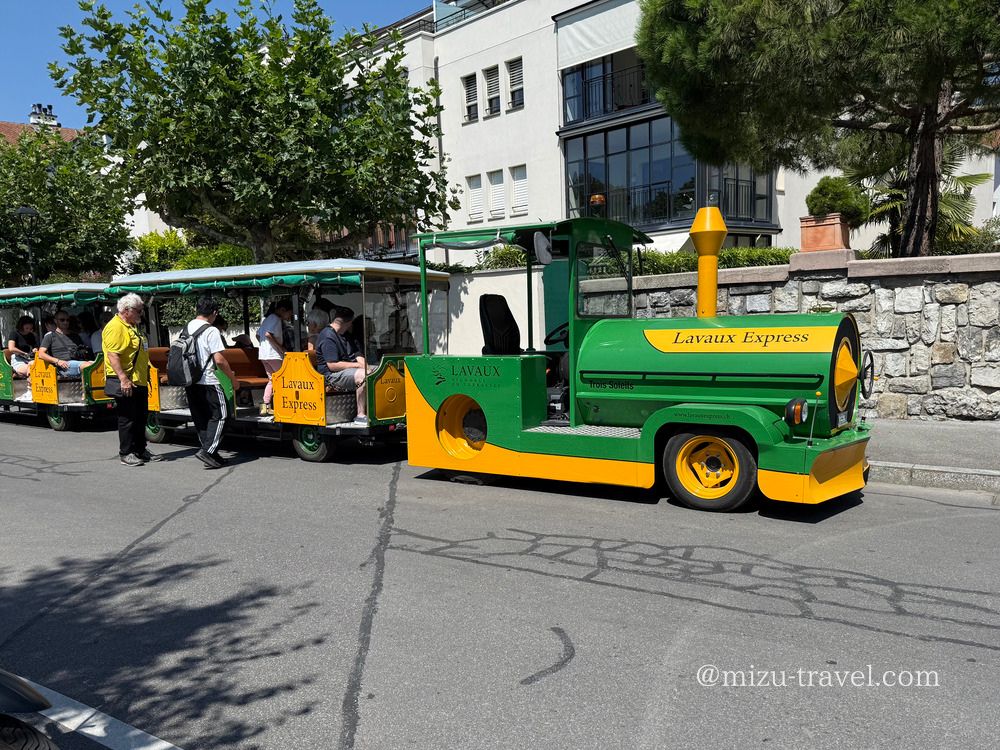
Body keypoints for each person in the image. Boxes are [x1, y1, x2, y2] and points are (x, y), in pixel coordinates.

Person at [185, 296, 241, 469]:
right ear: (214, 313)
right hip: (208, 380)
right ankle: (208, 451)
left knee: (202, 418)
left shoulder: (187, 327)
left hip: (191, 381)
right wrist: (233, 380)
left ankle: (211, 453)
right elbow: (220, 360)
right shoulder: (211, 330)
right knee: (223, 415)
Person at [103, 293, 155, 467]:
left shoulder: (131, 326)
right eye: (139, 311)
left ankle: (140, 449)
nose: (141, 314)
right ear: (127, 310)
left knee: (141, 417)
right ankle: (126, 453)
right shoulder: (116, 327)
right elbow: (113, 355)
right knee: (127, 419)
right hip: (126, 380)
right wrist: (123, 379)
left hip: (137, 380)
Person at [313, 306, 369, 424]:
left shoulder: (345, 335)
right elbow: (332, 365)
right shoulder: (328, 336)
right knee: (362, 375)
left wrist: (365, 366)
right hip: (331, 376)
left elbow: (356, 353)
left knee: (376, 371)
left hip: (345, 371)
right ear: (348, 322)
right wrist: (358, 366)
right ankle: (360, 415)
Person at [257, 298, 294, 416]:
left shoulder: (267, 318)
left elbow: (259, 335)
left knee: (272, 380)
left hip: (263, 355)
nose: (290, 316)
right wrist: (280, 348)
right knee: (283, 379)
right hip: (274, 355)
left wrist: (264, 346)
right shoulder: (276, 319)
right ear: (283, 310)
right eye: (289, 313)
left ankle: (265, 405)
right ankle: (283, 404)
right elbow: (268, 334)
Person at [37, 309, 93, 377]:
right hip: (64, 366)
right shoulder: (50, 336)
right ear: (55, 321)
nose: (65, 322)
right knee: (88, 366)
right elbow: (41, 354)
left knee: (97, 365)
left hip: (79, 362)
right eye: (62, 320)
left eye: (67, 320)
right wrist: (57, 361)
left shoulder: (75, 336)